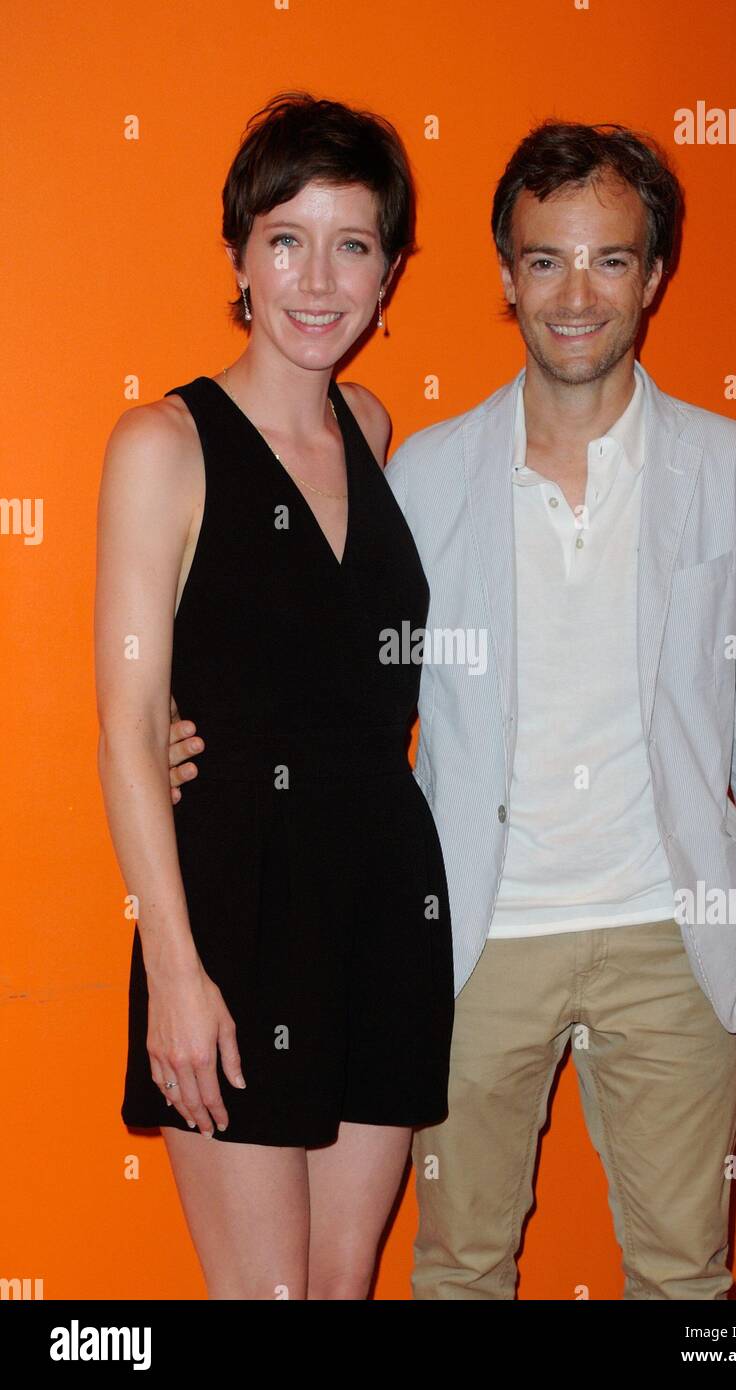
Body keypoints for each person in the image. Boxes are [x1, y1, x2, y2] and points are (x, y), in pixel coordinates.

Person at [169, 120, 736, 1299]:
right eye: (542, 260)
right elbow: (334, 663)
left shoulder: (733, 470)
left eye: (609, 259)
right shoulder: (423, 473)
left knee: (687, 1275)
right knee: (457, 1267)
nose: (575, 295)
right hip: (466, 934)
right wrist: (195, 735)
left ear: (654, 275)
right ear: (504, 275)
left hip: (670, 930)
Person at [96, 90, 454, 1301]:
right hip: (236, 909)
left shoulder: (371, 421)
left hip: (383, 896)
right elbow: (132, 733)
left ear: (388, 271)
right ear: (239, 254)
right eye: (286, 239)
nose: (318, 276)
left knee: (342, 1288)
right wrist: (178, 972)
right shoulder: (162, 444)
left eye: (352, 243)